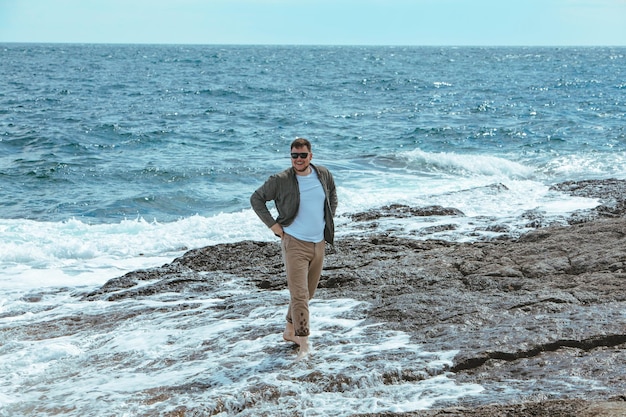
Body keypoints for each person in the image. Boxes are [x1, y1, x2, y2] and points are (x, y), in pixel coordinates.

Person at [250, 137, 337, 357]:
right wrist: (273, 226)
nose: (298, 159)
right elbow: (257, 199)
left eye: (302, 155)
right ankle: (303, 341)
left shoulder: (323, 174)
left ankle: (289, 330)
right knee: (299, 295)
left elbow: (332, 195)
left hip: (318, 243)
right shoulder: (280, 180)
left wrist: (329, 218)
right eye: (294, 155)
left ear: (310, 156)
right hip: (295, 243)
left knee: (308, 293)